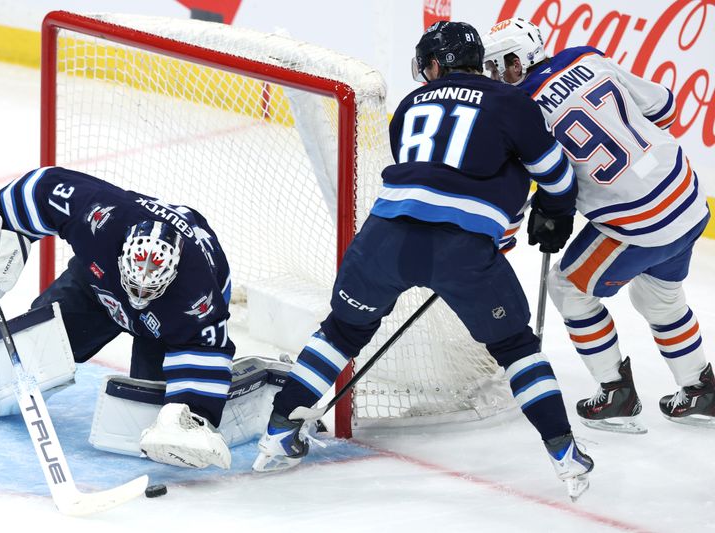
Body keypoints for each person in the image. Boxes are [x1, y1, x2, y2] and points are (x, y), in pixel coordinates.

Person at [252, 21, 594, 500]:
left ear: (435, 65)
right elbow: (556, 177)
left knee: (341, 332)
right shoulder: (512, 101)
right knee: (516, 347)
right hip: (463, 252)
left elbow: (430, 171)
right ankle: (565, 454)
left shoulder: (411, 104)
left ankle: (277, 434)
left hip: (383, 239)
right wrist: (549, 213)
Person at [0, 166, 243, 469]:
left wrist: (190, 413)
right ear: (122, 252)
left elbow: (207, 347)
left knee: (150, 417)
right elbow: (40, 188)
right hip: (99, 284)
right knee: (38, 340)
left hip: (165, 325)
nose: (139, 295)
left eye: (150, 289)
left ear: (171, 275)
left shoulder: (197, 298)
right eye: (134, 283)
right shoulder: (99, 217)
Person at [482, 18, 714, 433]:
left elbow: (530, 183)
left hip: (637, 223)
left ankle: (615, 393)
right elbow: (663, 106)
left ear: (518, 61)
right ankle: (700, 387)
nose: (494, 75)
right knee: (660, 299)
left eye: (498, 65)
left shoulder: (518, 109)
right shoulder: (587, 57)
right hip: (688, 196)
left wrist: (502, 238)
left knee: (568, 287)